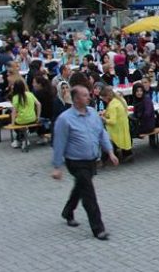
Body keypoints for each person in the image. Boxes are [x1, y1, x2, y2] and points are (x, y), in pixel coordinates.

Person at [51, 85, 118, 241]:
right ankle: (98, 228)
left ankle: (68, 211)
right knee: (89, 193)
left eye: (88, 95)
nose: (89, 97)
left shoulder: (93, 114)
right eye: (85, 95)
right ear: (75, 99)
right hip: (75, 161)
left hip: (91, 159)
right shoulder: (65, 119)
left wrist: (110, 152)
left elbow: (102, 133)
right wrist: (57, 167)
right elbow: (59, 143)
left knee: (81, 186)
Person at [98, 85, 131, 162]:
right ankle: (124, 153)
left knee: (103, 136)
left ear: (106, 97)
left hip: (116, 128)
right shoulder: (118, 100)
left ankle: (104, 159)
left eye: (103, 98)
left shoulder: (113, 105)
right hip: (123, 126)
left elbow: (112, 121)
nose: (103, 100)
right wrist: (105, 112)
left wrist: (104, 119)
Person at [9, 78, 40, 149]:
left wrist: (12, 123)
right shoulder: (30, 94)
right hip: (32, 118)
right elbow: (38, 104)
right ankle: (22, 139)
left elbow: (13, 112)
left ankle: (21, 139)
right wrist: (38, 116)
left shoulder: (15, 97)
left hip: (22, 120)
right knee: (23, 122)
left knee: (15, 123)